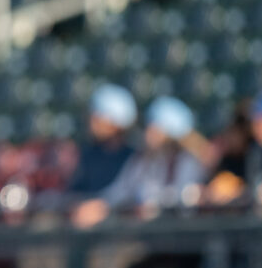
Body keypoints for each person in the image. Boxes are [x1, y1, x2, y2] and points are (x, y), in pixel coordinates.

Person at [73, 95, 206, 227]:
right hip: (146, 234)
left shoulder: (189, 163)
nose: (148, 133)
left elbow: (187, 199)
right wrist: (99, 206)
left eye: (155, 129)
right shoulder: (142, 160)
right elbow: (119, 191)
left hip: (178, 234)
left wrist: (153, 206)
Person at [65, 83, 137, 200]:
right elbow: (75, 193)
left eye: (98, 118)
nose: (92, 122)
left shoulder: (134, 159)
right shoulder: (87, 155)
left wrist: (103, 205)